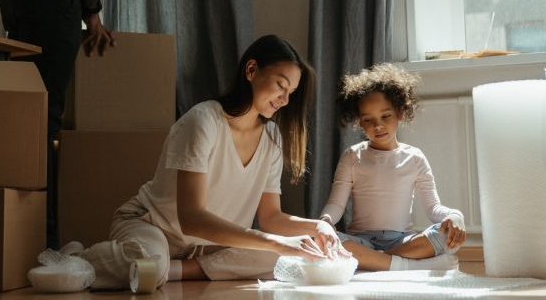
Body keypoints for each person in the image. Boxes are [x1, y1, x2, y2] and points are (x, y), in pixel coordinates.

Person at [45, 35, 351, 293]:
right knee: (152, 263)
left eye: (291, 93)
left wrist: (318, 226)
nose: (284, 100)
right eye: (280, 85)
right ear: (251, 70)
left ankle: (173, 270)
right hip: (152, 226)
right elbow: (191, 219)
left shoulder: (272, 137)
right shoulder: (204, 120)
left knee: (285, 259)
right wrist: (277, 242)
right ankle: (79, 259)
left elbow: (271, 218)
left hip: (205, 246)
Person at [0, 0, 115, 248]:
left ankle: (15, 231)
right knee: (43, 120)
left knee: (24, 115)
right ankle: (41, 240)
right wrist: (92, 10)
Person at [318, 64, 466, 272]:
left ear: (400, 113)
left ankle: (375, 262)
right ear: (360, 123)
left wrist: (455, 216)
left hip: (402, 242)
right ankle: (408, 265)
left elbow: (433, 208)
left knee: (444, 235)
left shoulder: (415, 158)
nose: (377, 126)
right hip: (361, 241)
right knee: (326, 240)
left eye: (385, 116)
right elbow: (336, 205)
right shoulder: (352, 156)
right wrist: (324, 223)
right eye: (368, 120)